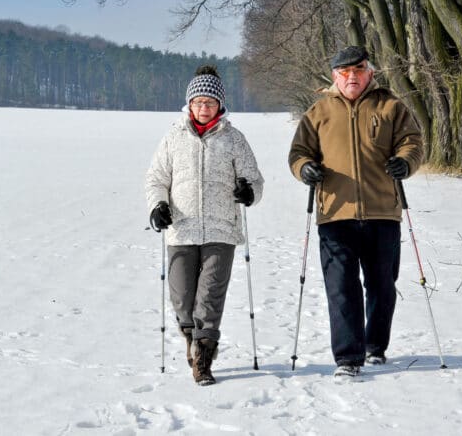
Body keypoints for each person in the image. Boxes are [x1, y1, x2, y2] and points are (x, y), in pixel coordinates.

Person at [288, 46, 423, 378]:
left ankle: (375, 346)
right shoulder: (318, 112)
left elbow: (413, 142)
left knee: (381, 284)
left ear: (370, 72)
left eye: (358, 70)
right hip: (335, 213)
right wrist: (305, 168)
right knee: (341, 287)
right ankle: (348, 357)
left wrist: (405, 162)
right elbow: (298, 152)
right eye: (345, 72)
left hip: (382, 211)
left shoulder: (391, 106)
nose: (352, 77)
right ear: (335, 76)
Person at [145, 65, 264, 386]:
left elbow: (254, 179)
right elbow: (156, 179)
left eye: (209, 103)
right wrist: (158, 206)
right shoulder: (173, 138)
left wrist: (249, 191)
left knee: (210, 296)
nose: (203, 108)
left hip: (221, 229)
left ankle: (203, 358)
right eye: (198, 102)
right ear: (189, 104)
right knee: (182, 298)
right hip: (181, 228)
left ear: (220, 105)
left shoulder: (234, 139)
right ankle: (191, 338)